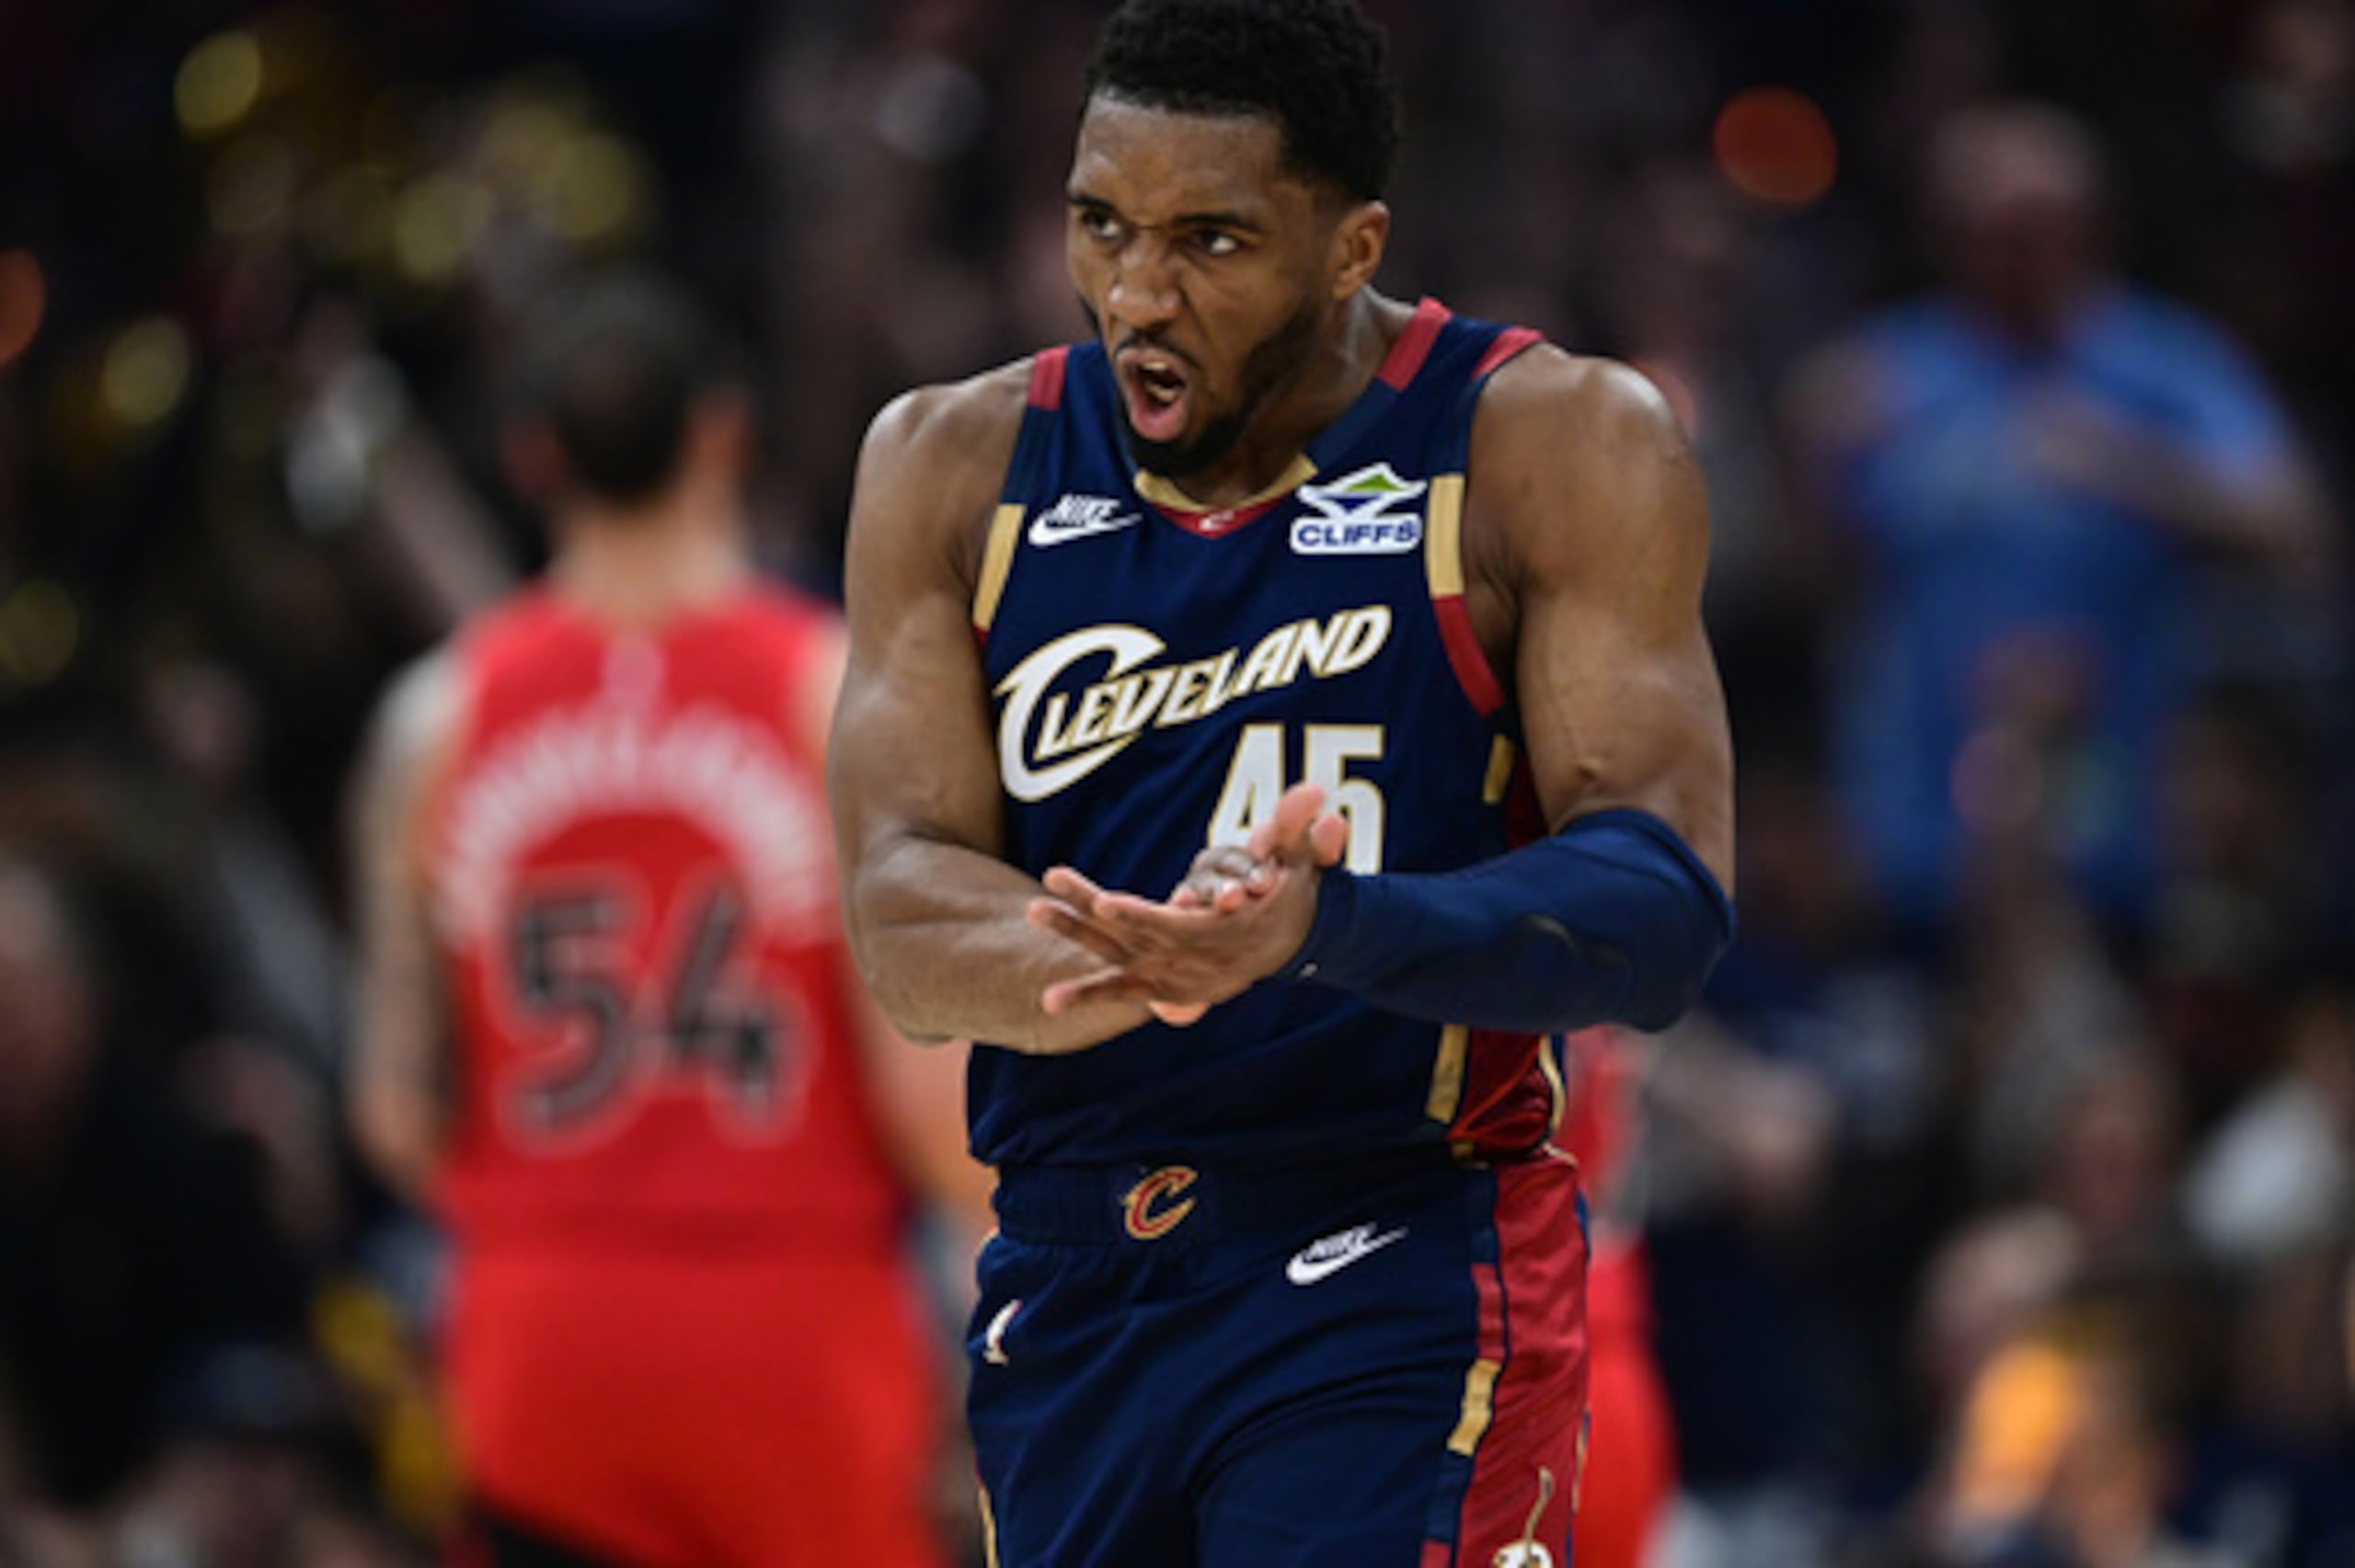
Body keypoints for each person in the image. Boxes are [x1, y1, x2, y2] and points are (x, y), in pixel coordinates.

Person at [829, 2, 1736, 1562]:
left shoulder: (1546, 441)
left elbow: (1662, 902)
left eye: (1211, 242)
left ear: (1348, 244)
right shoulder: (949, 464)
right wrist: (1121, 955)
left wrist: (1323, 928)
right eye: (1100, 226)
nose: (1139, 292)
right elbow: (900, 908)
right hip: (1072, 1273)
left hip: (1400, 1247)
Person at [347, 273, 990, 1567]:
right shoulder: (826, 696)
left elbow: (399, 1114)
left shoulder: (438, 719)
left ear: (533, 457)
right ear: (724, 433)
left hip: (540, 1339)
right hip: (794, 1337)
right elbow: (929, 1106)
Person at [1788, 100, 2328, 942]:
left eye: (2041, 224)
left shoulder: (2163, 363)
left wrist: (2124, 463)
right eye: (1990, 227)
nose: (2018, 251)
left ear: (2093, 226)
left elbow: (2290, 522)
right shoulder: (1886, 377)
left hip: (2129, 830)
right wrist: (1811, 465)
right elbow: (1817, 583)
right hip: (1922, 835)